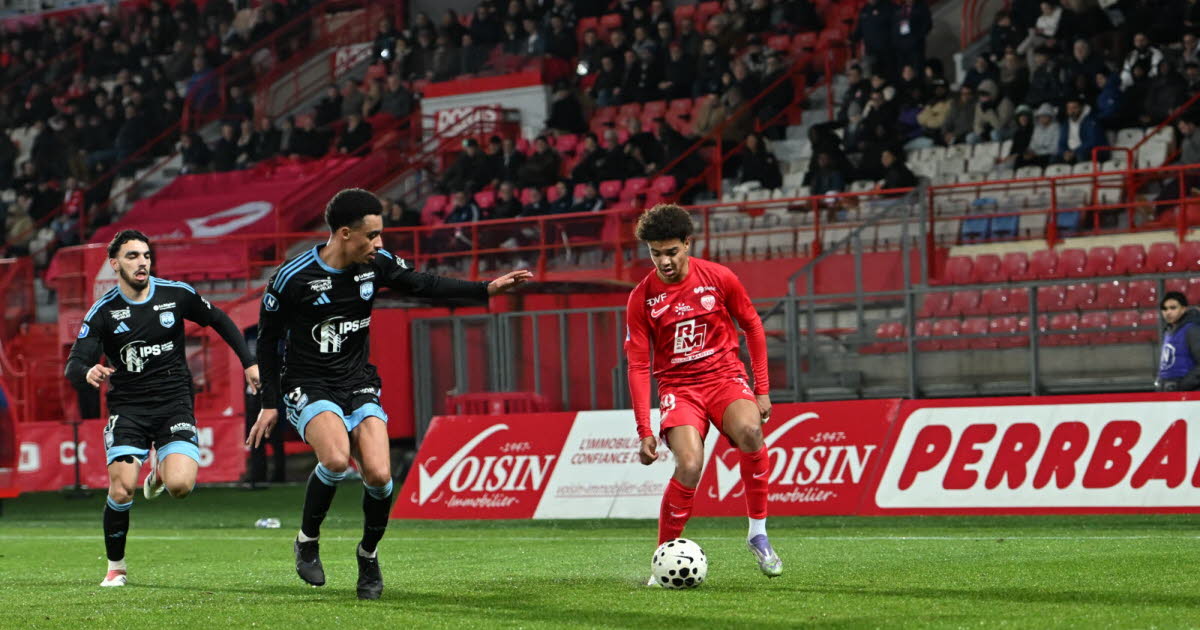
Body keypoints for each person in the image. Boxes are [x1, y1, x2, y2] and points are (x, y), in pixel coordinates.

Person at [247, 189, 531, 600]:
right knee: (336, 458)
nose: (380, 244)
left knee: (380, 476)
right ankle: (307, 540)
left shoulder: (376, 264)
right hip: (307, 382)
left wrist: (485, 289)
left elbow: (424, 284)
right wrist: (270, 403)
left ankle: (368, 554)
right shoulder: (292, 279)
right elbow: (269, 342)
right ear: (345, 234)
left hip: (357, 380)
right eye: (372, 235)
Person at [64, 230, 260, 587]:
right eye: (132, 256)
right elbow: (74, 364)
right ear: (114, 264)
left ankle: (158, 473)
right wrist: (88, 370)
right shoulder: (103, 311)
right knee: (122, 489)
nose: (142, 263)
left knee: (181, 486)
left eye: (146, 255)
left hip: (174, 405)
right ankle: (116, 567)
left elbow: (220, 320)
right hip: (129, 409)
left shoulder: (176, 295)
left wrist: (249, 362)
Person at [623, 204, 779, 588]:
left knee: (751, 433)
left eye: (671, 251)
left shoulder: (719, 278)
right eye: (655, 253)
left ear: (688, 244)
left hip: (725, 377)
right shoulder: (641, 299)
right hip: (679, 388)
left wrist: (762, 390)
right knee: (690, 465)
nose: (664, 261)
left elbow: (753, 327)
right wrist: (644, 428)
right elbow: (639, 366)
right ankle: (662, 560)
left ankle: (757, 533)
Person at [1156, 291, 1200, 391]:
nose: (1168, 312)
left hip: (1189, 395)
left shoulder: (1193, 330)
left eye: (1173, 308)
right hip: (1170, 392)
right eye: (1164, 309)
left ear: (1183, 309)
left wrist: (1182, 386)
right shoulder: (1168, 332)